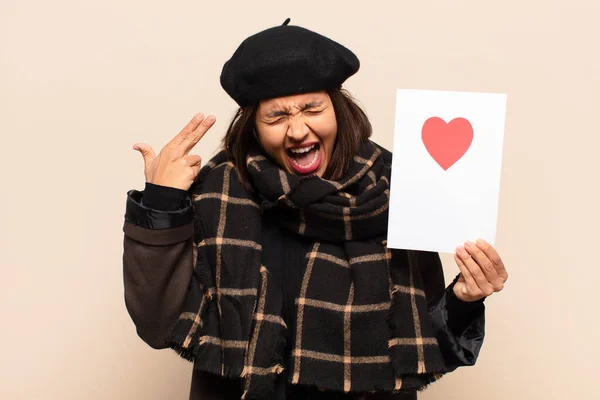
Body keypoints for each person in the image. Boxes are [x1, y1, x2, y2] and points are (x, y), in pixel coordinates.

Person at [122, 19, 508, 400]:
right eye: (276, 116)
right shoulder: (219, 190)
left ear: (338, 110)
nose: (297, 130)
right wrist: (162, 203)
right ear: (254, 127)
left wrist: (465, 299)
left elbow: (423, 338)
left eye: (312, 108)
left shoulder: (396, 187)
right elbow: (158, 324)